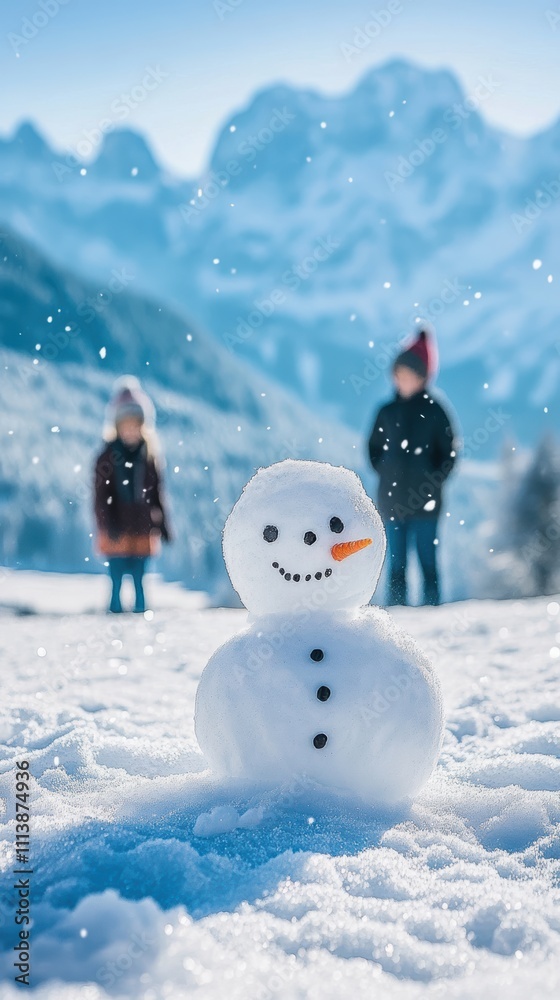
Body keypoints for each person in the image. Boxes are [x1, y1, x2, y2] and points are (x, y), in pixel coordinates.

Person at [367, 325, 457, 606]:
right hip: (392, 502)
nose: (404, 381)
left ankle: (432, 612)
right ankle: (396, 615)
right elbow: (373, 449)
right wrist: (385, 471)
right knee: (396, 566)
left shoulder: (435, 410)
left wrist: (433, 479)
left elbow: (449, 453)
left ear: (423, 378)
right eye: (399, 375)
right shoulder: (386, 411)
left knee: (428, 565)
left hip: (427, 505)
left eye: (410, 376)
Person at [93, 376, 172, 613]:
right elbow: (100, 497)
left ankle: (141, 622)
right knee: (116, 580)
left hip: (142, 529)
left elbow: (158, 494)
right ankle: (114, 618)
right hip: (115, 531)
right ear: (116, 426)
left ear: (143, 426)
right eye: (125, 424)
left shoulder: (149, 458)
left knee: (139, 580)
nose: (130, 429)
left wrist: (164, 524)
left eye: (135, 423)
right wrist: (107, 524)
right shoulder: (106, 457)